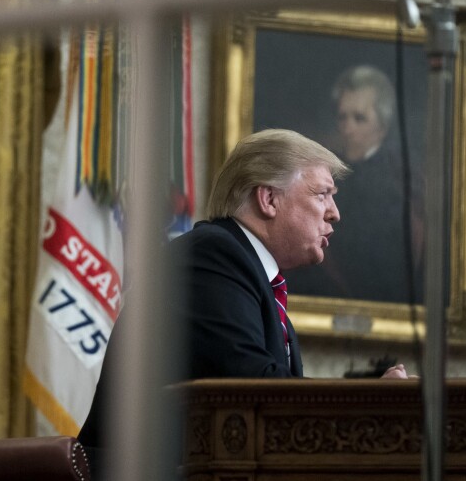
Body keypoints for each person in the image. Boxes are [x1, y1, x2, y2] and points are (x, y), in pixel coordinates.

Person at [77, 129, 409, 478]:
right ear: (268, 199)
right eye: (323, 194)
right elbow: (253, 387)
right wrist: (369, 401)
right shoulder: (212, 255)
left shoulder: (252, 274)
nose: (334, 213)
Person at [294, 65, 422, 303]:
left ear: (382, 126)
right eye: (343, 117)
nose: (348, 128)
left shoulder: (401, 178)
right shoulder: (324, 171)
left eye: (359, 118)